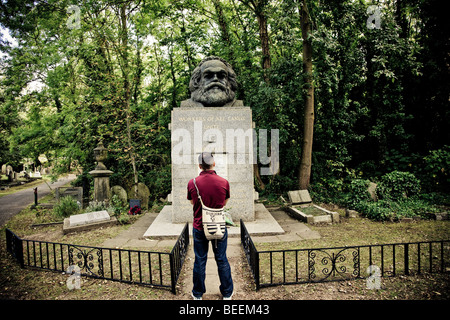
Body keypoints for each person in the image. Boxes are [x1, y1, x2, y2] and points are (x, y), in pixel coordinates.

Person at [187, 152, 234, 300]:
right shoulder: (224, 182)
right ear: (213, 164)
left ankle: (198, 294)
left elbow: (192, 203)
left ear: (200, 166)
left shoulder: (192, 183)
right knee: (221, 258)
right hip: (219, 225)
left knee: (200, 259)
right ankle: (227, 293)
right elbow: (224, 203)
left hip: (200, 226)